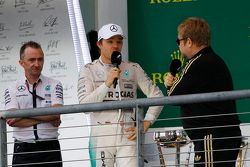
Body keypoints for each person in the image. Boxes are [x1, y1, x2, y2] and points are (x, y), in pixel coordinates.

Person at [78, 23, 163, 167]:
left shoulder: (132, 68)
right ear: (99, 44)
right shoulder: (88, 70)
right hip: (101, 137)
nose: (115, 46)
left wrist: (146, 122)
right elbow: (84, 106)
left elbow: (157, 95)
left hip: (128, 135)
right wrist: (106, 84)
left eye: (119, 41)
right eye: (110, 42)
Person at [164, 17, 242, 167]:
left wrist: (169, 85)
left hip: (212, 137)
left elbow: (173, 97)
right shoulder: (212, 60)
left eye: (178, 41)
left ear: (189, 41)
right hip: (219, 136)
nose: (178, 45)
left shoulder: (198, 62)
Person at [4, 41, 63, 167]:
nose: (37, 64)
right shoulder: (12, 88)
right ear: (21, 63)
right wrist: (47, 117)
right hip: (23, 149)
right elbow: (13, 119)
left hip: (50, 148)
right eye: (32, 60)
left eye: (40, 59)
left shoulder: (55, 84)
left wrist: (24, 116)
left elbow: (56, 114)